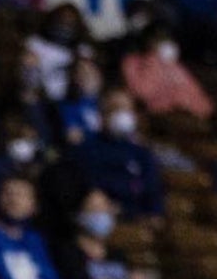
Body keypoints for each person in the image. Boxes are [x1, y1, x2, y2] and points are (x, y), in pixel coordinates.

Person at [53, 187, 159, 279]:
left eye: (105, 209)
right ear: (78, 215)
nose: (102, 214)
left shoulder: (116, 254)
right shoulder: (67, 252)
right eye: (94, 209)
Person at [69, 88, 165, 219]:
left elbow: (153, 193)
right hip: (101, 216)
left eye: (126, 109)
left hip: (137, 220)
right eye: (115, 109)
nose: (121, 114)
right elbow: (92, 186)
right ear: (102, 115)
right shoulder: (87, 149)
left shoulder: (142, 153)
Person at [121, 26, 214, 120]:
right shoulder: (133, 62)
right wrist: (153, 60)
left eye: (166, 39)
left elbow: (195, 93)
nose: (166, 43)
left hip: (188, 115)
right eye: (160, 40)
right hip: (161, 117)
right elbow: (143, 93)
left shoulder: (173, 64)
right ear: (149, 42)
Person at [56, 56, 105, 146]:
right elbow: (74, 138)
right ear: (74, 78)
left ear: (99, 74)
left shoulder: (111, 99)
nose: (85, 76)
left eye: (89, 72)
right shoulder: (68, 106)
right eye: (80, 73)